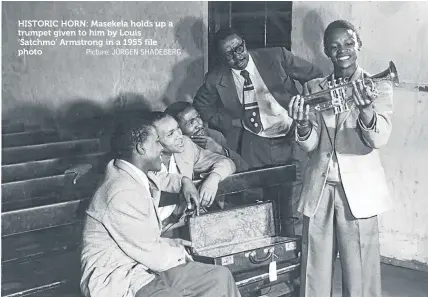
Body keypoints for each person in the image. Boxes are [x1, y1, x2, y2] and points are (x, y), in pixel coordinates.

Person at [288, 20, 394, 297]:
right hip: (319, 188)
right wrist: (301, 126)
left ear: (358, 44)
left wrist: (367, 110)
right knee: (314, 271)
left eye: (348, 44)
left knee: (360, 275)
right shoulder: (313, 88)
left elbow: (378, 139)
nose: (342, 51)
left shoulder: (378, 87)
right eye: (334, 47)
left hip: (359, 192)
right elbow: (311, 145)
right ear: (326, 51)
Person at [80, 115, 241, 297]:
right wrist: (177, 251)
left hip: (142, 267)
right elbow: (150, 253)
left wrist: (184, 182)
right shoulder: (121, 191)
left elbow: (140, 239)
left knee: (219, 277)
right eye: (157, 142)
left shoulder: (134, 172)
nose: (161, 148)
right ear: (141, 148)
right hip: (118, 278)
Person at [193, 27, 323, 169]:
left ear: (244, 43)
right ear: (221, 57)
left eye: (239, 48)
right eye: (229, 55)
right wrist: (229, 122)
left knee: (296, 188)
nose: (237, 57)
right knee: (255, 186)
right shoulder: (215, 78)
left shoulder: (276, 56)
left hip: (291, 138)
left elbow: (315, 77)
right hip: (253, 144)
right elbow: (201, 105)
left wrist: (303, 109)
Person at [148, 111, 236, 222]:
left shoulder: (185, 145)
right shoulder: (144, 159)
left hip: (178, 220)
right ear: (154, 140)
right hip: (150, 226)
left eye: (178, 128)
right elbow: (159, 179)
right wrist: (184, 181)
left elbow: (227, 163)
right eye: (170, 134)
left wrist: (214, 177)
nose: (179, 135)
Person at [165, 101, 249, 172]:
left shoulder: (214, 136)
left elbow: (244, 169)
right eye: (191, 122)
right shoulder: (174, 148)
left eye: (198, 117)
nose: (199, 124)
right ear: (177, 130)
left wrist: (219, 149)